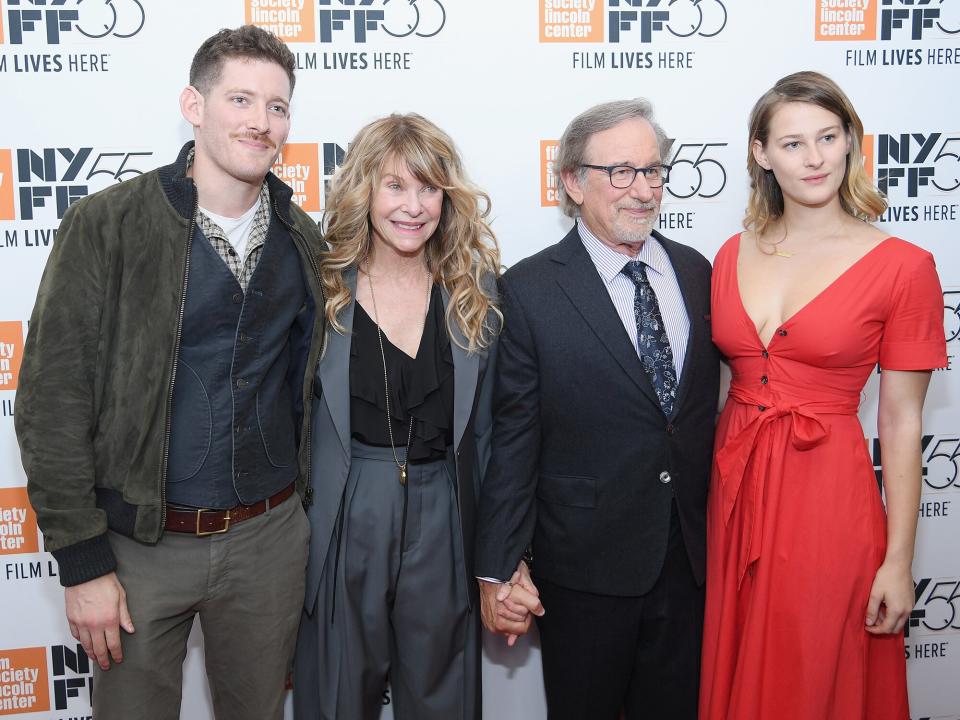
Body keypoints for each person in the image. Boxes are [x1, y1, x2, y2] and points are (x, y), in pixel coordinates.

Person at [15, 26, 325, 720]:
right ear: (194, 104)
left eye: (277, 106)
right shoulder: (109, 224)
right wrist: (83, 560)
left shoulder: (303, 238)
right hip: (138, 548)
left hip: (268, 540)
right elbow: (51, 400)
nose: (260, 121)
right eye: (240, 98)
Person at [699, 71, 947, 720]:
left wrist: (899, 562)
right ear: (761, 154)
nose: (813, 158)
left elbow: (899, 422)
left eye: (828, 137)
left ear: (850, 143)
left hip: (827, 502)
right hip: (734, 496)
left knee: (813, 678)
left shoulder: (903, 266)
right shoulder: (730, 254)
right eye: (792, 143)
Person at [474, 99, 720, 719]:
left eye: (653, 170)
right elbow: (513, 438)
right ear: (573, 183)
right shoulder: (529, 290)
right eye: (620, 172)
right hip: (584, 569)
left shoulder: (697, 271)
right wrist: (499, 567)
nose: (641, 190)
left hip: (690, 560)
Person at [293, 113, 502, 720]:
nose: (413, 206)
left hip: (447, 513)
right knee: (335, 694)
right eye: (395, 186)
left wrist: (505, 554)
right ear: (364, 190)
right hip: (345, 508)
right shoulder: (320, 285)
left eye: (429, 187)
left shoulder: (476, 290)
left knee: (447, 696)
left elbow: (491, 433)